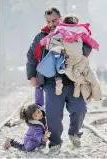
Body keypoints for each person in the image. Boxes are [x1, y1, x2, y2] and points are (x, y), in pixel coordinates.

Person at [26, 7, 92, 155]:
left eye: (54, 20)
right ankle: (55, 143)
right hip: (51, 83)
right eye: (48, 21)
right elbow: (31, 56)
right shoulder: (41, 37)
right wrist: (32, 76)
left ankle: (74, 133)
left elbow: (87, 48)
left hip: (73, 80)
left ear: (61, 18)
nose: (51, 24)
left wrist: (74, 49)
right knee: (52, 114)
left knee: (80, 108)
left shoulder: (74, 31)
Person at [38, 14, 101, 101]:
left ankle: (61, 82)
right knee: (85, 74)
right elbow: (89, 39)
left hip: (68, 61)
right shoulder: (80, 31)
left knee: (68, 72)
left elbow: (49, 38)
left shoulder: (60, 31)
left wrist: (42, 42)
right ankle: (85, 89)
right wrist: (96, 46)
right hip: (80, 60)